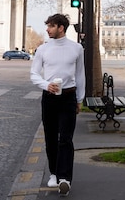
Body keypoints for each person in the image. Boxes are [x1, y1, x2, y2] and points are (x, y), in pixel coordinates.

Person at [30, 13, 85, 197]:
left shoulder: (77, 49)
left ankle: (65, 179)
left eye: (51, 26)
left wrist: (80, 99)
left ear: (61, 27)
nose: (47, 29)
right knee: (51, 138)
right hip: (49, 98)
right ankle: (54, 172)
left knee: (66, 139)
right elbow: (34, 74)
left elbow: (80, 75)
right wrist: (46, 85)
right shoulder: (42, 49)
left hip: (69, 97)